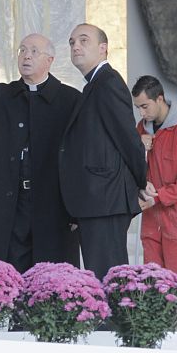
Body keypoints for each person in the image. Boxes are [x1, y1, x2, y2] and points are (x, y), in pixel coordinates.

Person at [0, 33, 81, 273]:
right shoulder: (5, 95)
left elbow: (79, 155)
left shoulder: (69, 99)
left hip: (50, 200)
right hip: (8, 199)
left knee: (47, 270)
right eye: (22, 50)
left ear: (50, 60)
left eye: (34, 51)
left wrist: (77, 206)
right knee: (2, 265)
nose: (26, 55)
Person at [59, 23, 147, 281]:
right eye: (72, 41)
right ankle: (106, 321)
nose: (75, 46)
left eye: (83, 40)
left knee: (109, 277)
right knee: (102, 276)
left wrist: (142, 181)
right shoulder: (94, 84)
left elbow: (129, 138)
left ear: (103, 48)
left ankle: (113, 322)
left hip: (105, 199)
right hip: (96, 199)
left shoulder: (108, 82)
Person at [131, 74, 177, 326]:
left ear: (160, 99)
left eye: (145, 106)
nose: (141, 113)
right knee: (155, 285)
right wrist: (138, 150)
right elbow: (132, 168)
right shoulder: (141, 131)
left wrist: (159, 197)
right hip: (153, 222)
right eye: (138, 108)